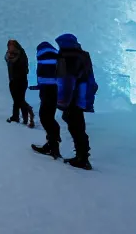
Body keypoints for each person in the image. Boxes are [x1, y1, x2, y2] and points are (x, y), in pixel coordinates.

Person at [55, 33, 98, 170]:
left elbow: (66, 81)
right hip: (80, 97)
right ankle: (82, 156)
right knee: (78, 125)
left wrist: (62, 100)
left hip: (72, 98)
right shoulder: (82, 55)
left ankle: (82, 158)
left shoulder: (67, 57)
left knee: (75, 126)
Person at [31, 41, 62, 159]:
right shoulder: (57, 56)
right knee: (49, 116)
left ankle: (53, 146)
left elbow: (45, 75)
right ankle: (52, 144)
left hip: (48, 91)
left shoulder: (43, 55)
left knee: (45, 117)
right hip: (54, 90)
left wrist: (42, 86)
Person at [5, 40, 35, 127]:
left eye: (12, 45)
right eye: (9, 45)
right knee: (16, 100)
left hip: (21, 80)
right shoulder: (9, 54)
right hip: (13, 80)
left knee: (20, 99)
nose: (11, 47)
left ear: (16, 46)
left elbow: (25, 68)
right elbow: (7, 60)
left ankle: (27, 114)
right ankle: (18, 117)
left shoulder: (21, 54)